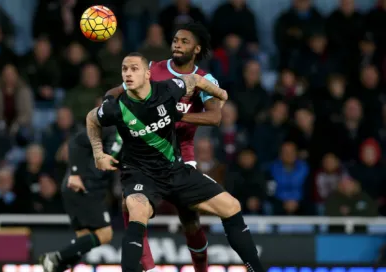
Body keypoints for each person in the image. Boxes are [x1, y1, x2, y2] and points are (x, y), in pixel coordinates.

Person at [85, 52, 264, 272]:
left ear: (148, 74)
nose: (128, 74)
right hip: (141, 175)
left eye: (134, 69)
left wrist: (220, 93)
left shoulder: (168, 90)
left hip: (176, 170)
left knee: (231, 206)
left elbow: (196, 80)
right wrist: (98, 153)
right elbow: (92, 118)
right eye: (124, 69)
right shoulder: (116, 106)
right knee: (137, 212)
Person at [106, 21, 222, 272]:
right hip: (145, 152)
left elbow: (214, 117)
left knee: (189, 220)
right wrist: (108, 104)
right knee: (131, 204)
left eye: (184, 41)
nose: (177, 45)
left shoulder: (204, 79)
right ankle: (148, 267)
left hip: (182, 154)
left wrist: (176, 116)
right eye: (175, 41)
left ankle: (201, 268)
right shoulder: (152, 70)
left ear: (197, 48)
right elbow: (116, 91)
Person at [39, 128, 116, 272]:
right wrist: (75, 173)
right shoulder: (110, 126)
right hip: (83, 185)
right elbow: (75, 142)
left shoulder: (136, 138)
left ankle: (55, 267)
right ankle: (56, 258)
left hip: (88, 189)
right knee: (105, 234)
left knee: (83, 241)